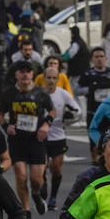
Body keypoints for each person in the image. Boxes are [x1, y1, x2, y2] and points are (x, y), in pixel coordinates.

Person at [0, 62, 53, 219]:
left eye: (28, 72)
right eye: (21, 72)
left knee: (36, 180)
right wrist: (6, 126)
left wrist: (45, 125)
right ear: (16, 75)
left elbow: (53, 110)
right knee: (21, 176)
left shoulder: (40, 93)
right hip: (17, 141)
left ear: (32, 75)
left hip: (36, 140)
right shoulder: (9, 93)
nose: (25, 75)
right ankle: (26, 210)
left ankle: (36, 193)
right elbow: (0, 114)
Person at [43, 66, 83, 211]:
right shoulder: (38, 94)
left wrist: (69, 119)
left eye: (54, 78)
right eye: (48, 78)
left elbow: (78, 111)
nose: (51, 81)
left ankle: (53, 197)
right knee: (42, 167)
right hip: (41, 136)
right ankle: (43, 187)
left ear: (58, 79)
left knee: (57, 170)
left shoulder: (63, 94)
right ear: (44, 78)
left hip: (58, 135)